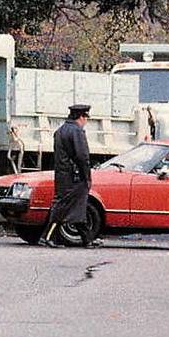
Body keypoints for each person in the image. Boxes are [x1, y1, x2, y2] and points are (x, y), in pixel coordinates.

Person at [40, 104, 100, 248]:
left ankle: (87, 239)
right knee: (64, 207)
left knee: (77, 207)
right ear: (81, 117)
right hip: (74, 176)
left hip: (63, 175)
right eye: (86, 118)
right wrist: (87, 176)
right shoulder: (77, 132)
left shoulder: (60, 131)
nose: (86, 121)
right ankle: (47, 237)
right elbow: (82, 156)